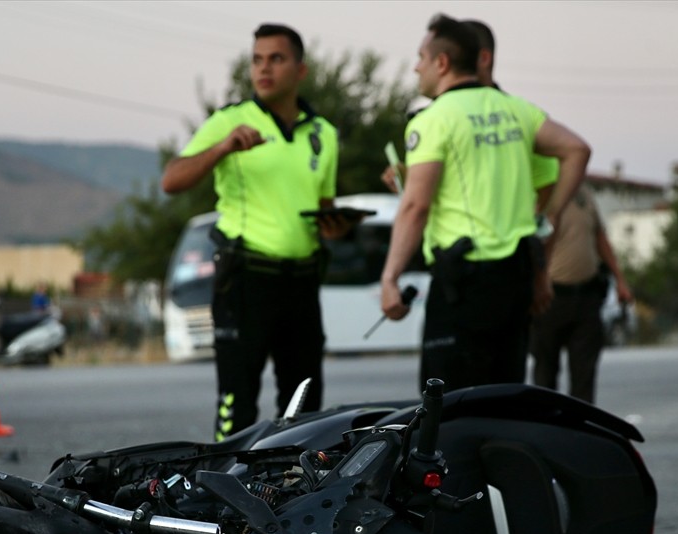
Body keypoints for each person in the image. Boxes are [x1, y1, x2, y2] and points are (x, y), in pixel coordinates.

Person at [379, 14, 591, 392]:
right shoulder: (516, 110)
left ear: (441, 63)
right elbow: (577, 149)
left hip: (464, 283)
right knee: (503, 398)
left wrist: (390, 277)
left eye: (421, 58)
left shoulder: (434, 119)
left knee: (446, 407)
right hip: (516, 277)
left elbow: (416, 207)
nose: (416, 67)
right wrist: (551, 217)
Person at [161, 23, 352, 441]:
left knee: (304, 404)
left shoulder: (324, 134)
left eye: (276, 59)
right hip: (244, 280)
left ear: (300, 70)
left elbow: (322, 208)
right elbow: (171, 180)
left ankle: (292, 495)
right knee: (238, 404)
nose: (264, 68)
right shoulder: (230, 121)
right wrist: (222, 147)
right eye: (257, 59)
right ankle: (225, 496)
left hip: (301, 282)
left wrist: (334, 226)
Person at [530, 183, 633, 404]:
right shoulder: (540, 192)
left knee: (584, 374)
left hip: (586, 294)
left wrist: (620, 280)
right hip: (551, 296)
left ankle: (581, 430)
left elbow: (600, 238)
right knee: (545, 374)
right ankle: (545, 429)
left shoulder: (584, 193)